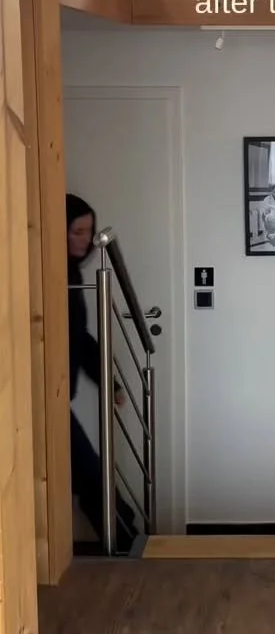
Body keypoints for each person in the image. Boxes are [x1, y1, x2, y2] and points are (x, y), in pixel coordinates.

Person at [66, 193, 138, 553]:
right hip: (36, 403)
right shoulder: (49, 274)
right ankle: (125, 541)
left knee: (91, 474)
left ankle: (127, 536)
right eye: (77, 231)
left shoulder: (70, 274)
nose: (85, 240)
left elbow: (79, 338)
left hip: (54, 402)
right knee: (90, 474)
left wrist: (110, 384)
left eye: (88, 232)